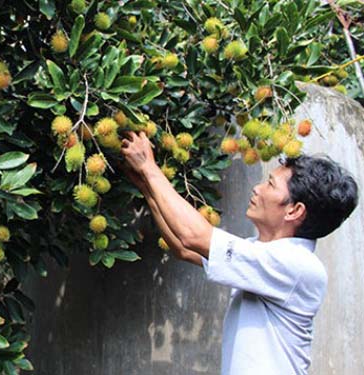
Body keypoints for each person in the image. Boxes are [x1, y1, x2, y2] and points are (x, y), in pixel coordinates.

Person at [120, 130, 358, 375]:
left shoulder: (296, 265)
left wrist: (149, 168)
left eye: (270, 184)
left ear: (294, 211)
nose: (257, 188)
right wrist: (147, 188)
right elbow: (183, 248)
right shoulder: (262, 254)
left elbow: (193, 235)